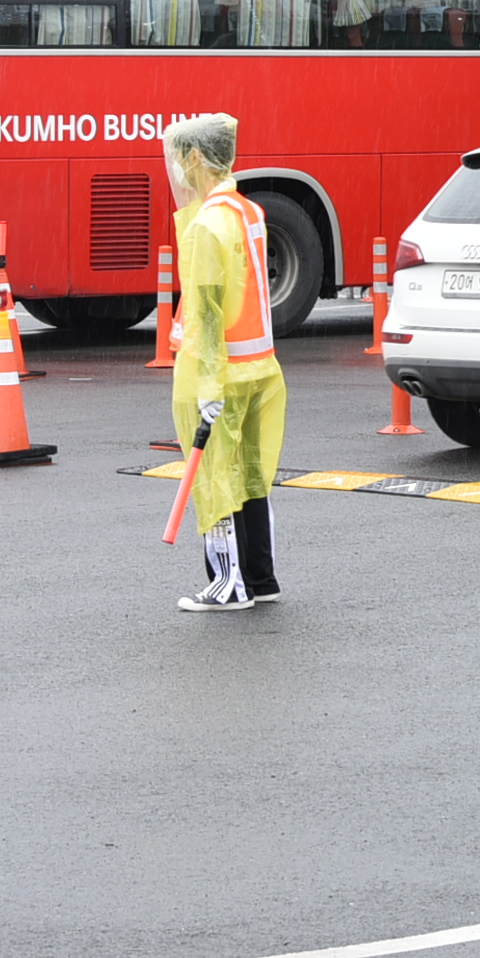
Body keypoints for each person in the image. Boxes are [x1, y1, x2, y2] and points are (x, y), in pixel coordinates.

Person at [163, 113, 283, 613]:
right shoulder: (247, 211)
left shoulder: (206, 227)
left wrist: (208, 387)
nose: (176, 172)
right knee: (252, 474)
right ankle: (261, 576)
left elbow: (208, 315)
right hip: (259, 367)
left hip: (221, 374)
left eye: (178, 159)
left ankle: (227, 586)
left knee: (216, 479)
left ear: (195, 158)